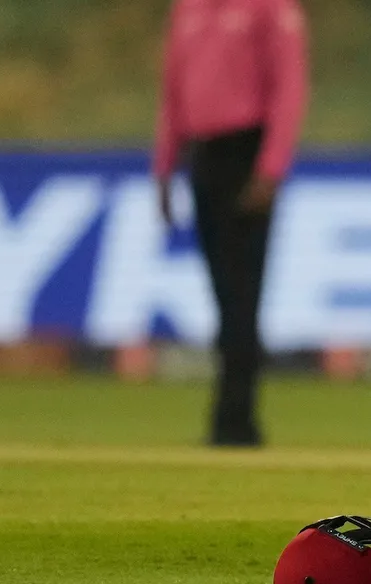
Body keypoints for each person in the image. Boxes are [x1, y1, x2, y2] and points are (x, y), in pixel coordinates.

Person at [152, 0, 309, 447]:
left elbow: (289, 87)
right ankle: (229, 418)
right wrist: (164, 168)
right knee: (222, 293)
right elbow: (173, 91)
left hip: (246, 153)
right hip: (201, 157)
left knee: (242, 295)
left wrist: (270, 168)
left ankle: (236, 419)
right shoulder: (188, 7)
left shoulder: (271, 8)